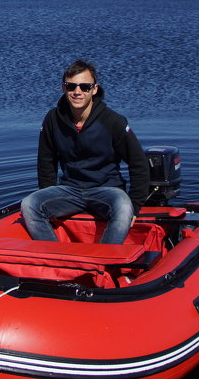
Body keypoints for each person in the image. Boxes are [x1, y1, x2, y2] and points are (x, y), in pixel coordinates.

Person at [21, 59, 150, 245]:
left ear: (94, 89)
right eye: (71, 86)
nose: (77, 91)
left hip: (108, 190)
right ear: (63, 88)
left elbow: (138, 164)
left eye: (85, 86)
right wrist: (48, 194)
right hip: (70, 189)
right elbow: (46, 162)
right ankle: (57, 259)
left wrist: (135, 207)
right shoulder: (52, 119)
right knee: (29, 204)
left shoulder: (113, 121)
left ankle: (105, 261)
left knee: (123, 206)